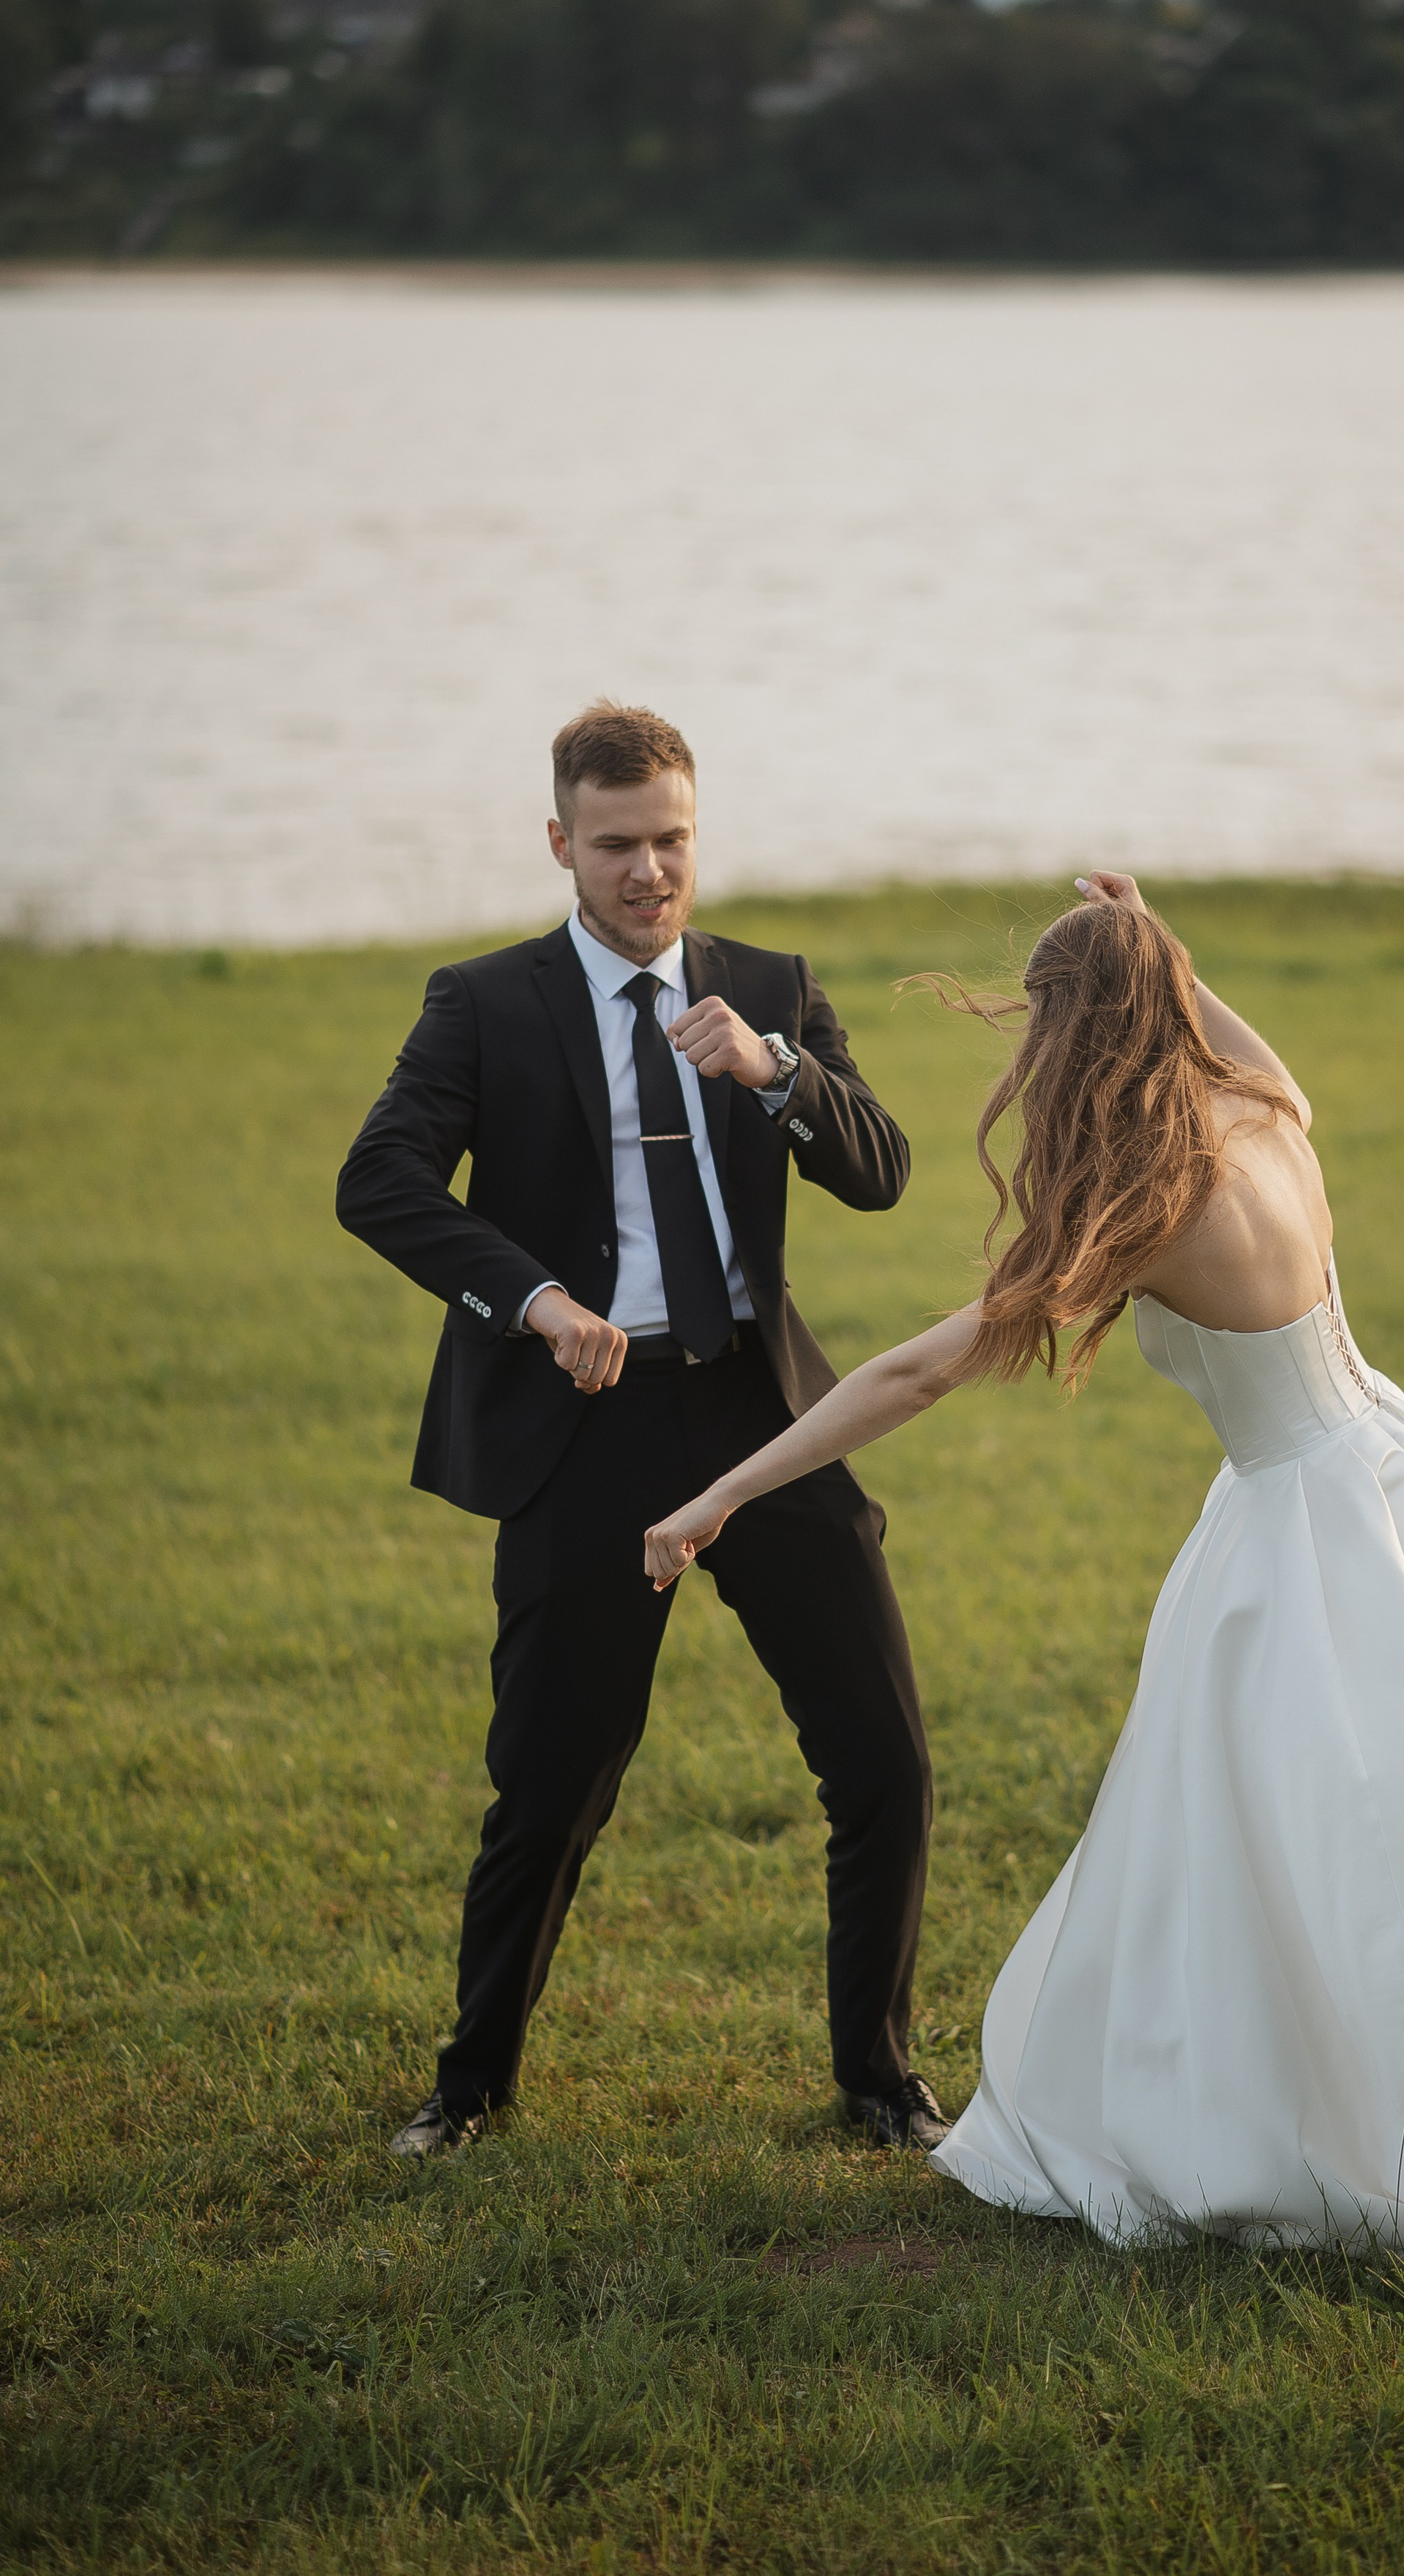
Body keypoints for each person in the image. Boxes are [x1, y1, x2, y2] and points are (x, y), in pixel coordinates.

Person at [644, 873, 1404, 2282]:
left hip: (1306, 1540)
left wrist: (723, 1493)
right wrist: (1167, 943)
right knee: (1373, 1835)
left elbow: (924, 1368)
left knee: (1304, 1840)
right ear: (1172, 1011)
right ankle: (1396, 2077)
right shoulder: (1264, 1120)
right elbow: (1271, 1062)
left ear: (1071, 1038)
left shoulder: (1149, 1206)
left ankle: (1356, 2114)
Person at [337, 702, 948, 2158]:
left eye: (670, 839)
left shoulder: (766, 987)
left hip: (758, 1410)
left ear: (695, 830)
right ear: (560, 843)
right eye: (615, 845)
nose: (647, 871)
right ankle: (469, 2088)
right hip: (587, 1424)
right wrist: (536, 1300)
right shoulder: (483, 1003)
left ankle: (878, 2079)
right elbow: (383, 1179)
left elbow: (882, 1174)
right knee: (553, 1781)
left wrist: (776, 1072)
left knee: (883, 1761)